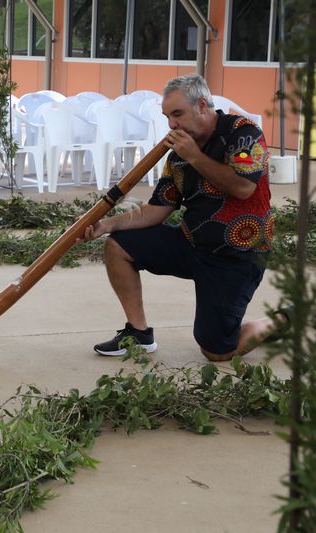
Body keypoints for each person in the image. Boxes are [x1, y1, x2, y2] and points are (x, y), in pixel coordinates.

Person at [81, 73, 281, 362]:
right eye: (167, 117)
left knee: (217, 351)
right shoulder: (178, 156)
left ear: (202, 105)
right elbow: (157, 209)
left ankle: (280, 320)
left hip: (238, 256)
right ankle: (138, 334)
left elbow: (243, 187)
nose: (172, 125)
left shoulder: (243, 133)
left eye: (177, 114)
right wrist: (105, 225)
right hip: (192, 243)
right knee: (118, 245)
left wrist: (195, 156)